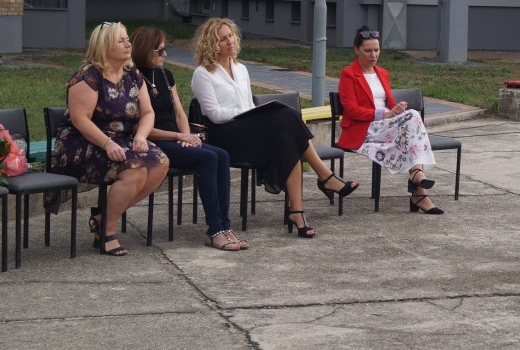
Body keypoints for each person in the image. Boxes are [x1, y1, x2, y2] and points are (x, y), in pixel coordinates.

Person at [190, 18, 359, 238]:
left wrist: (252, 113)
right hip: (224, 135)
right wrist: (248, 115)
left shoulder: (240, 69)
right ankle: (325, 178)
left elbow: (249, 105)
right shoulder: (202, 74)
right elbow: (214, 114)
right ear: (211, 44)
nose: (230, 41)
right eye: (222, 39)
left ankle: (298, 212)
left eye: (230, 36)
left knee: (290, 139)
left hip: (247, 129)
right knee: (287, 117)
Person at [51, 22, 170, 256]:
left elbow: (148, 113)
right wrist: (107, 143)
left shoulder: (132, 73)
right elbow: (80, 120)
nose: (128, 44)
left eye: (128, 39)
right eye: (121, 40)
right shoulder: (87, 76)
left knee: (160, 164)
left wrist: (141, 136)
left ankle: (102, 217)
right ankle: (107, 232)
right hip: (83, 142)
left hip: (121, 138)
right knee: (135, 170)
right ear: (104, 46)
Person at [130, 27, 244, 251]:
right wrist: (179, 136)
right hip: (154, 142)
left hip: (175, 139)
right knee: (208, 159)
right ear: (145, 50)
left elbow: (179, 113)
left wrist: (188, 137)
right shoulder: (132, 79)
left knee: (222, 155)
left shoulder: (165, 74)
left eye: (165, 49)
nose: (165, 54)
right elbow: (139, 129)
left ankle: (225, 225)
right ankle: (215, 230)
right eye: (160, 50)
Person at [337, 27, 442, 214]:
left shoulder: (382, 73)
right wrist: (384, 114)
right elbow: (351, 110)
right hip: (365, 129)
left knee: (410, 123)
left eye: (376, 50)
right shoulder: (348, 74)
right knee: (413, 118)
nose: (373, 55)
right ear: (356, 50)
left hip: (387, 127)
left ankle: (419, 186)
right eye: (368, 51)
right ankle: (418, 182)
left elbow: (389, 104)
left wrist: (396, 109)